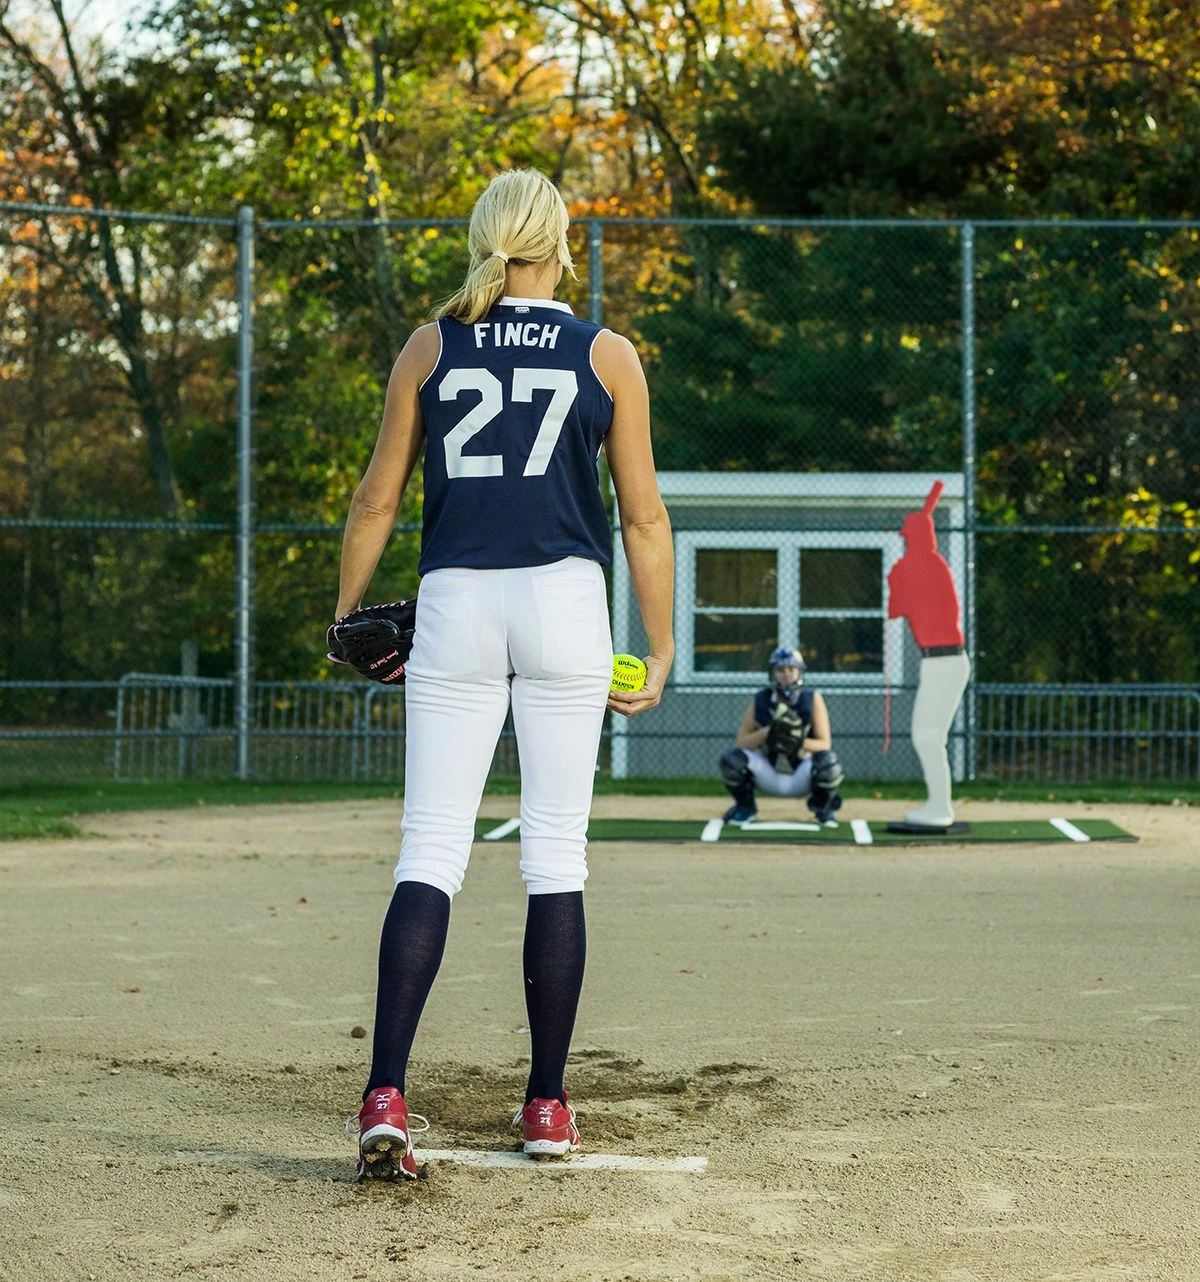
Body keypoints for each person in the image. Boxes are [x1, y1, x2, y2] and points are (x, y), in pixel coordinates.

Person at [334, 168, 674, 1179]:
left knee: (431, 851)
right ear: (561, 244)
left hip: (459, 602)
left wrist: (346, 618)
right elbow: (645, 517)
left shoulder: (431, 345)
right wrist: (658, 647)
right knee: (556, 855)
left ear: (482, 240)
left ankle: (386, 1093)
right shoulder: (607, 353)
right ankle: (546, 1104)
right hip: (565, 603)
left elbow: (375, 500)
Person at [886, 480, 970, 828]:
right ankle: (939, 804)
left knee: (927, 736)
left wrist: (895, 579)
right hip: (939, 661)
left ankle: (940, 807)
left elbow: (895, 608)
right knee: (929, 736)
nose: (904, 542)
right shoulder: (931, 564)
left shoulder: (922, 567)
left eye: (907, 537)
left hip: (945, 662)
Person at [718, 645, 845, 827]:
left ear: (799, 672)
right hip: (769, 771)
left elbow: (825, 744)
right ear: (772, 673)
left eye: (791, 669)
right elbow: (741, 742)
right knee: (732, 760)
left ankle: (823, 808)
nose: (786, 674)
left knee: (829, 763)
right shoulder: (761, 699)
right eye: (780, 670)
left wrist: (797, 740)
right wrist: (769, 733)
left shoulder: (812, 698)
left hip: (802, 772)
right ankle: (745, 808)